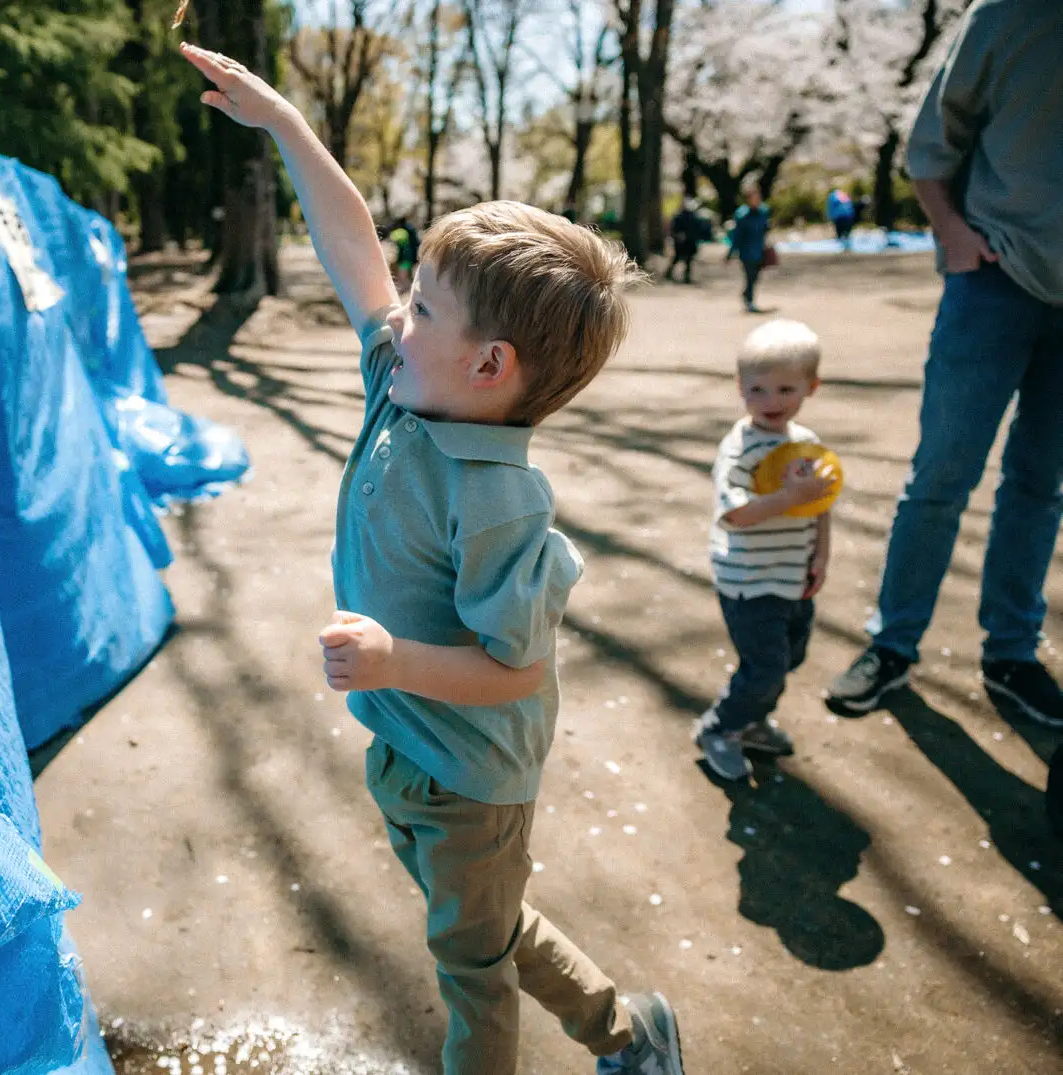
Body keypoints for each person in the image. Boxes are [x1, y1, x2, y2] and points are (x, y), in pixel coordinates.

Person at [180, 41, 685, 1075]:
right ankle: (626, 1030)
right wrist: (287, 126)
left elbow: (517, 668)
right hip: (405, 749)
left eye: (421, 308)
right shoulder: (407, 383)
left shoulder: (498, 496)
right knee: (481, 924)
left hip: (469, 775)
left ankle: (624, 1038)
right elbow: (352, 247)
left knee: (470, 965)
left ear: (489, 365)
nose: (393, 315)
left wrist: (391, 659)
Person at [827, 1, 1063, 724]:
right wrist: (954, 234)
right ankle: (893, 644)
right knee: (941, 476)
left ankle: (1011, 653)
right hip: (994, 274)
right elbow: (932, 140)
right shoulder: (1007, 15)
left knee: (1039, 484)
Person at [696, 321, 837, 780]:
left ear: (810, 388)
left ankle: (751, 719)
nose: (770, 401)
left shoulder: (809, 444)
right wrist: (786, 499)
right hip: (749, 582)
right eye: (757, 389)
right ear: (739, 387)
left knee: (789, 658)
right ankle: (720, 728)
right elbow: (735, 514)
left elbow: (821, 505)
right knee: (765, 668)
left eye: (784, 389)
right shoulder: (738, 450)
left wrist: (820, 556)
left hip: (794, 576)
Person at [725, 188, 772, 313]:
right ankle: (749, 301)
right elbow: (737, 236)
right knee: (750, 276)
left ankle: (746, 294)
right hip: (746, 251)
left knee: (756, 277)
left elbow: (765, 229)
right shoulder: (742, 215)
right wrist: (730, 253)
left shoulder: (763, 211)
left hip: (759, 249)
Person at [664, 199, 707, 284]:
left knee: (688, 260)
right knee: (678, 258)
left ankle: (686, 277)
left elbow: (698, 229)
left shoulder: (693, 217)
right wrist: (677, 235)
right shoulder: (680, 217)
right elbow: (673, 229)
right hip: (681, 242)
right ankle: (669, 273)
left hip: (690, 242)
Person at [388, 215, 420, 291]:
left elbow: (401, 249)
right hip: (411, 254)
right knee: (408, 272)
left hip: (407, 256)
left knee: (405, 273)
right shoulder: (409, 229)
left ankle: (409, 287)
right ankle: (411, 286)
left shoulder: (403, 232)